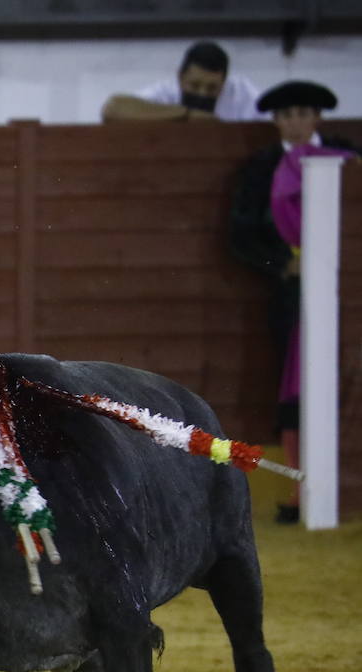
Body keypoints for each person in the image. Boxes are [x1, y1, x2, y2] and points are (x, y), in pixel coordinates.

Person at [228, 80, 358, 523]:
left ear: (318, 116)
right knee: (296, 385)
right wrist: (283, 263)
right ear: (276, 121)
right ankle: (300, 490)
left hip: (351, 286)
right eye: (287, 115)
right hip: (290, 292)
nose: (296, 122)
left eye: (303, 112)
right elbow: (241, 234)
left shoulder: (349, 157)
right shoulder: (262, 167)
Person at [101, 41, 261, 122]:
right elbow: (112, 109)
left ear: (224, 82)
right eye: (195, 85)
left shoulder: (240, 92)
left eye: (212, 88)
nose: (202, 93)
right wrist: (187, 114)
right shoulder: (165, 93)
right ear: (180, 77)